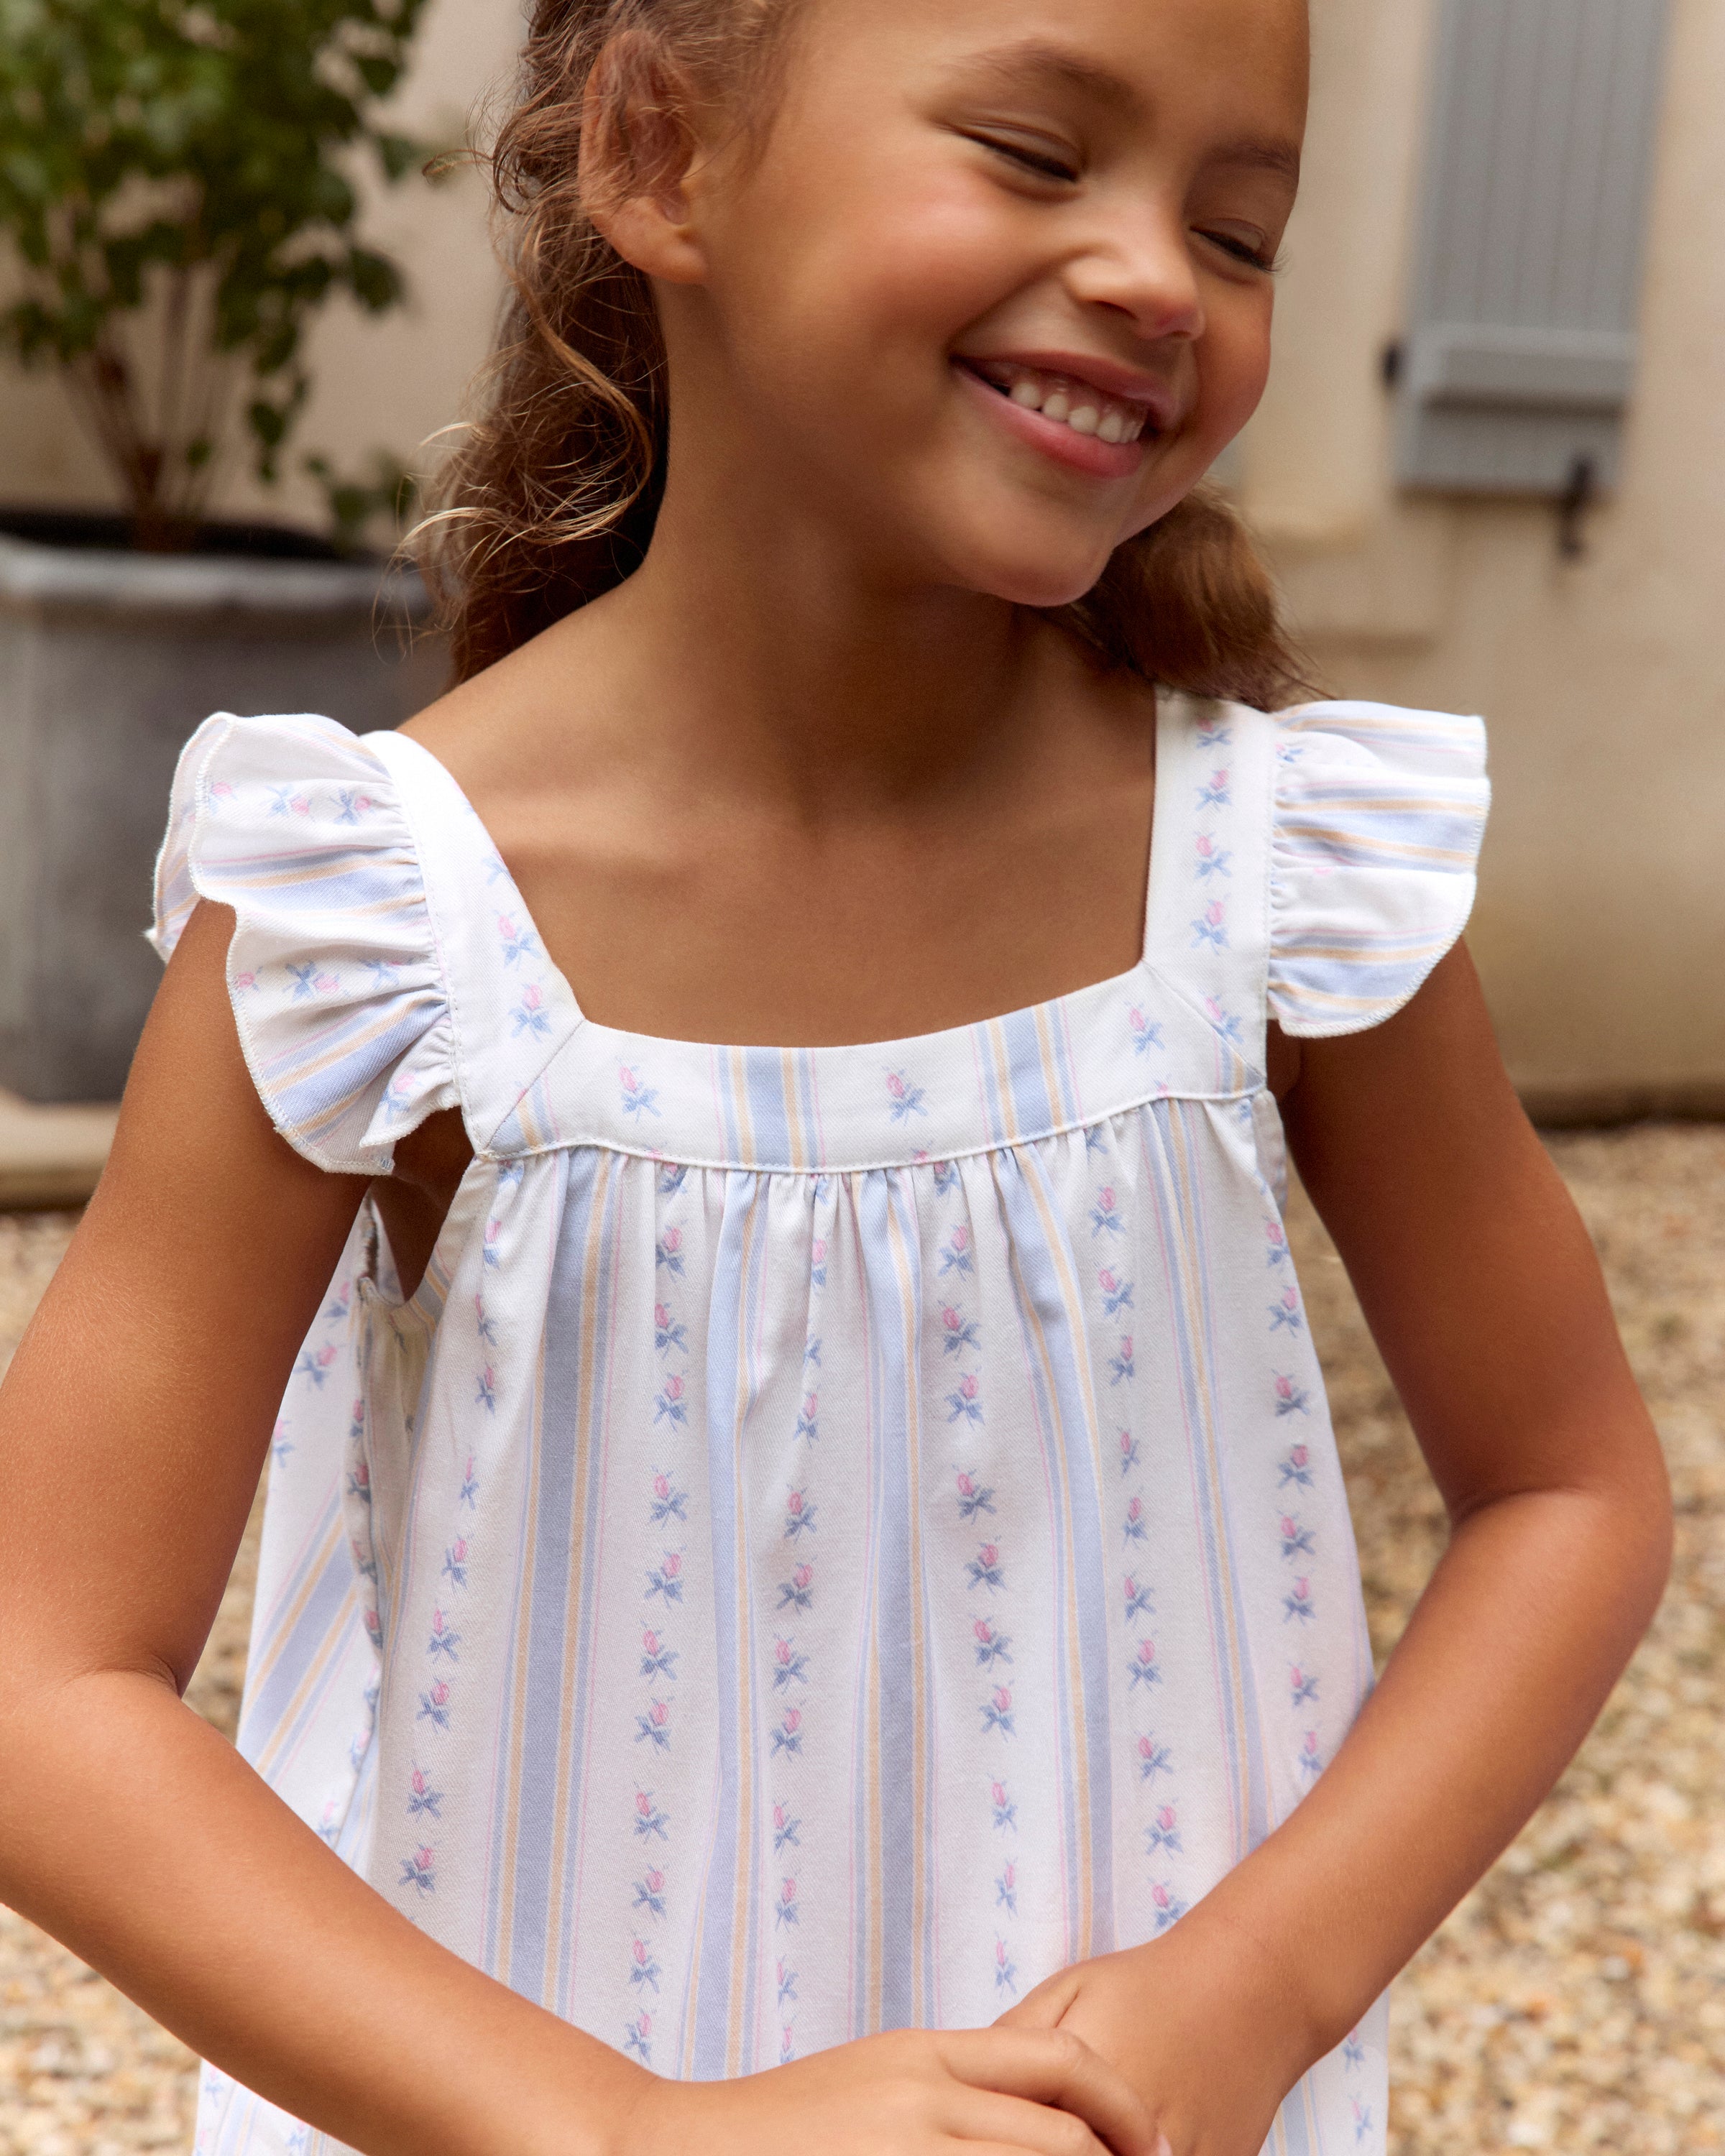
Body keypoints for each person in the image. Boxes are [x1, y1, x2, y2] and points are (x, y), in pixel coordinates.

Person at [0, 1, 1672, 2153]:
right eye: (1038, 150)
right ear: (657, 153)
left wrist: (1247, 1996)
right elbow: (41, 1681)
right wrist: (624, 2129)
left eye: (1242, 229)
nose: (1162, 275)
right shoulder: (376, 919)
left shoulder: (1284, 878)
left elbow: (1570, 1492)